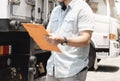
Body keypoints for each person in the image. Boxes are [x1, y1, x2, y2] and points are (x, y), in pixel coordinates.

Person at [45, 0, 94, 81]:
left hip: (72, 71)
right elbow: (49, 31)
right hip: (53, 69)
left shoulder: (83, 9)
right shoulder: (56, 10)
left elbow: (86, 39)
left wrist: (63, 40)